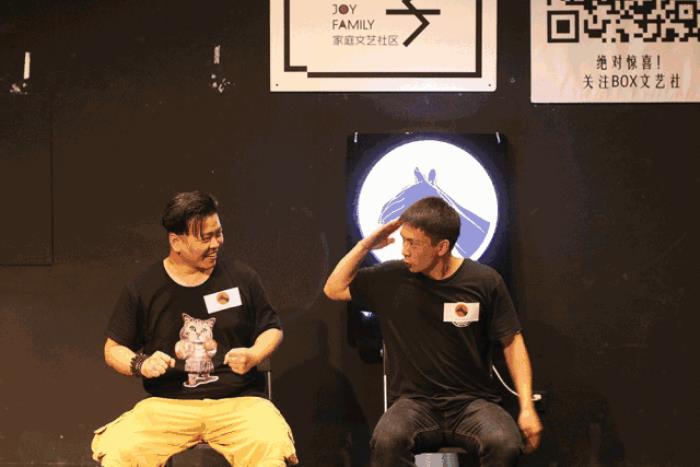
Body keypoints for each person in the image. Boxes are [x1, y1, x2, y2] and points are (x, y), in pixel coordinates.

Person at [324, 196, 542, 467]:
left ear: (441, 247)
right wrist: (366, 245)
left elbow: (512, 342)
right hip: (413, 404)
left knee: (505, 443)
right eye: (403, 240)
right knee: (387, 440)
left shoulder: (484, 281)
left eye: (413, 243)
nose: (404, 251)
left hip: (472, 403)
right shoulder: (392, 278)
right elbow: (333, 289)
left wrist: (527, 407)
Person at [92, 191, 298, 467]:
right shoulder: (143, 288)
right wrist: (142, 363)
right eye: (205, 238)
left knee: (270, 446)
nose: (216, 243)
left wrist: (254, 354)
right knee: (120, 450)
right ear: (176, 241)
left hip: (239, 403)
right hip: (168, 405)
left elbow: (271, 328)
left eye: (219, 234)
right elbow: (113, 349)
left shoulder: (242, 277)